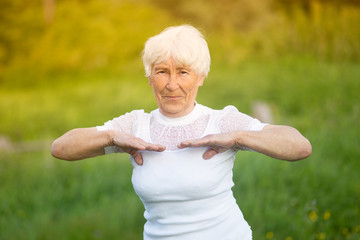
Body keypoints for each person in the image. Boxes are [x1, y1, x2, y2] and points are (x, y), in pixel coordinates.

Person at [51, 25, 312, 240]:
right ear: (150, 77)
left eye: (183, 72)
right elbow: (60, 148)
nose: (172, 85)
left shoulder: (221, 121)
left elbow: (299, 147)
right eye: (162, 72)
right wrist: (110, 138)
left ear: (201, 77)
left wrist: (237, 138)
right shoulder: (135, 125)